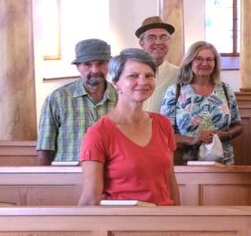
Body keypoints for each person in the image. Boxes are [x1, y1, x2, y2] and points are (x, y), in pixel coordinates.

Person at [78, 48, 180, 206]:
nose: (143, 82)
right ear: (116, 82)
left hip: (164, 220)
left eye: (149, 76)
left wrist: (178, 220)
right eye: (133, 76)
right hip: (123, 225)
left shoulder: (163, 124)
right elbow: (91, 198)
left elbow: (170, 181)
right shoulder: (98, 133)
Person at [36, 38, 117, 165]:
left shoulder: (122, 98)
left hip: (112, 175)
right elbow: (45, 148)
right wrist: (45, 181)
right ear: (78, 67)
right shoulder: (57, 99)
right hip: (68, 175)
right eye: (87, 64)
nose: (94, 70)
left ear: (110, 65)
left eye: (100, 63)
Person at [160, 41, 242, 165]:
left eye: (209, 59)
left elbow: (238, 125)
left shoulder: (225, 89)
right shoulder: (175, 91)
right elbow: (165, 132)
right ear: (190, 62)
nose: (204, 63)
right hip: (186, 162)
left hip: (222, 161)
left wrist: (224, 134)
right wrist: (193, 140)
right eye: (199, 59)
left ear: (215, 63)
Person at [136, 16, 180, 113]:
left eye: (163, 37)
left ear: (169, 41)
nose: (158, 42)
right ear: (141, 43)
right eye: (151, 37)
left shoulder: (179, 75)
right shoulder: (128, 73)